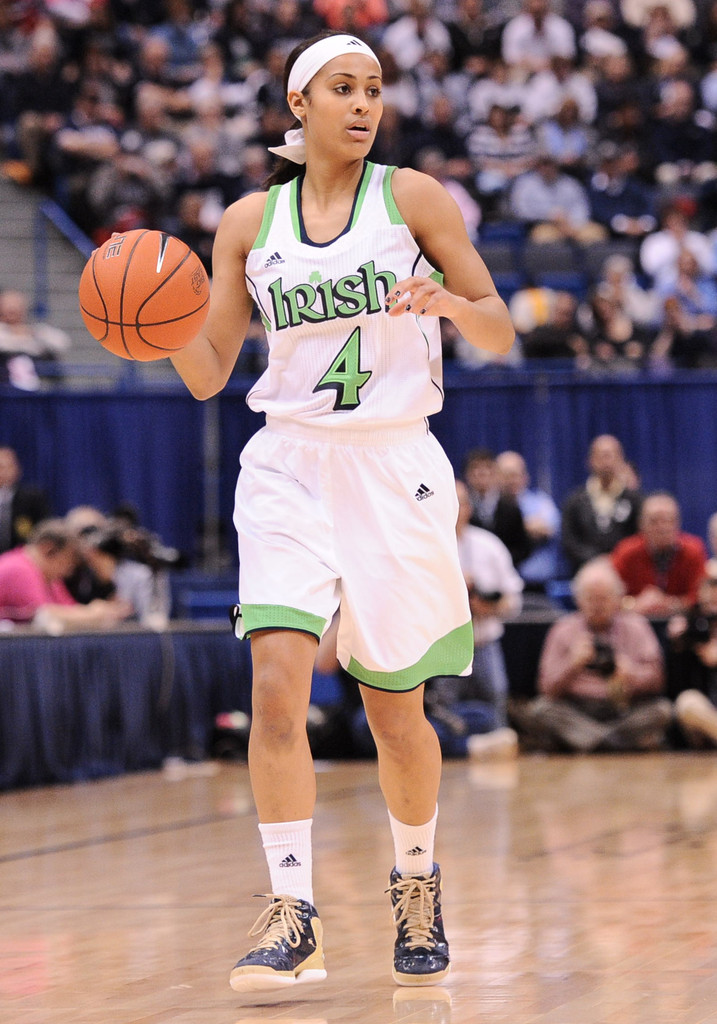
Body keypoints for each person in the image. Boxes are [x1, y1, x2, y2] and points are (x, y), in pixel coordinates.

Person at [168, 30, 515, 993]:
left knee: (394, 712)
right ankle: (293, 914)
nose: (364, 105)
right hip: (286, 463)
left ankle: (416, 881)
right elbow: (206, 373)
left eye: (373, 89)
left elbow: (497, 327)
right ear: (299, 105)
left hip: (392, 463)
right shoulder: (249, 221)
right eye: (343, 89)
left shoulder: (412, 198)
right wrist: (153, 326)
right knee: (277, 689)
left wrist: (447, 304)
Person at [511, 557, 671, 753]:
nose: (597, 605)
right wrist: (572, 664)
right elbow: (545, 688)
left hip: (624, 708)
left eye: (603, 598)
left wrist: (631, 673)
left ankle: (590, 742)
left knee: (662, 710)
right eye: (591, 598)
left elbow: (658, 680)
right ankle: (615, 744)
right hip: (577, 709)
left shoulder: (637, 626)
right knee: (541, 710)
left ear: (618, 598)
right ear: (578, 599)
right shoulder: (563, 629)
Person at [426, 479, 523, 761]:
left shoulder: (489, 545)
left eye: (461, 503)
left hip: (484, 641)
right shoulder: (426, 547)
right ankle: (452, 757)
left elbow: (513, 600)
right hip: (443, 644)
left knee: (496, 701)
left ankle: (501, 755)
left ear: (469, 508)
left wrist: (487, 606)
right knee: (443, 709)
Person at [0, 518, 132, 629]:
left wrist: (100, 610)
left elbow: (69, 608)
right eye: (66, 563)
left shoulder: (47, 575)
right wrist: (93, 613)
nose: (68, 572)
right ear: (48, 549)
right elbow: (43, 615)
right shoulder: (18, 569)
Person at [611, 491, 707, 617]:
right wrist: (635, 604)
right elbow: (610, 596)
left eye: (668, 520)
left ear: (678, 523)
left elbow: (702, 597)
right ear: (641, 524)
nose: (662, 527)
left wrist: (670, 604)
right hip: (636, 620)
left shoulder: (693, 551)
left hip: (682, 621)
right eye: (654, 521)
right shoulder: (626, 552)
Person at [561, 434, 643, 574]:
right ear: (590, 460)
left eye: (610, 456)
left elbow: (640, 538)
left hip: (626, 572)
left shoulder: (636, 500)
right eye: (601, 456)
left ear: (621, 460)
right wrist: (595, 560)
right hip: (586, 572)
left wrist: (618, 559)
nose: (606, 462)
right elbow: (569, 541)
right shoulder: (574, 501)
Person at [496, 449, 562, 596]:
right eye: (506, 475)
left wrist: (515, 528)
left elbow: (549, 528)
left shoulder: (541, 502)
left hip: (540, 585)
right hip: (503, 587)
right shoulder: (493, 507)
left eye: (515, 475)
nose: (511, 480)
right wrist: (527, 527)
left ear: (525, 476)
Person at [668, 559, 717, 746]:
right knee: (687, 702)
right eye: (710, 602)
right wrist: (680, 645)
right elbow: (676, 687)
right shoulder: (689, 626)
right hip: (704, 715)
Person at [462, 448, 531, 567]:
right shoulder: (460, 508)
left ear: (496, 473)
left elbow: (522, 547)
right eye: (475, 468)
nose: (482, 473)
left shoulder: (510, 507)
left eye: (487, 468)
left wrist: (501, 561)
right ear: (467, 474)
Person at [0, 445, 50, 555]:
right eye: (1, 467)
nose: (5, 471)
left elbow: (45, 529)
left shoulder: (33, 498)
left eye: (9, 466)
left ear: (18, 469)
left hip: (24, 556)